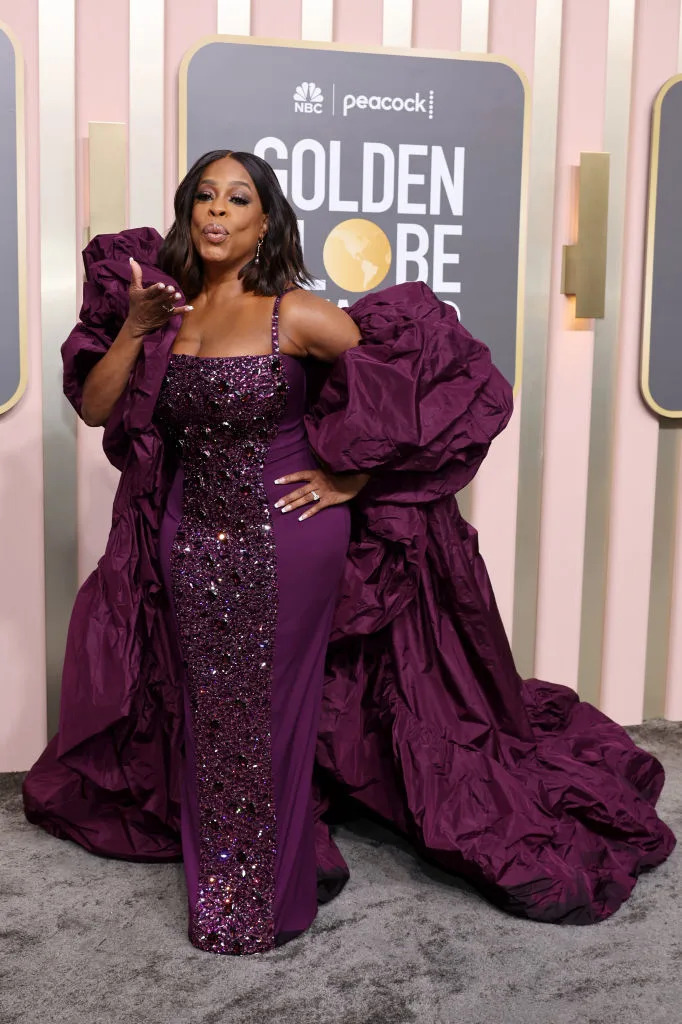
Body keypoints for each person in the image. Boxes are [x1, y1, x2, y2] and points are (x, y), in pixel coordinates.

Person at [23, 150, 675, 957]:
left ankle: (261, 897)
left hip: (290, 536)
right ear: (189, 212)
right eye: (205, 197)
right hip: (187, 538)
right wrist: (135, 326)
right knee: (209, 709)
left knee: (270, 710)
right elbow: (96, 409)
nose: (218, 211)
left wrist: (354, 477)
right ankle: (235, 879)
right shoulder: (170, 313)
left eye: (239, 199)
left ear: (267, 222)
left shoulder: (294, 313)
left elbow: (413, 388)